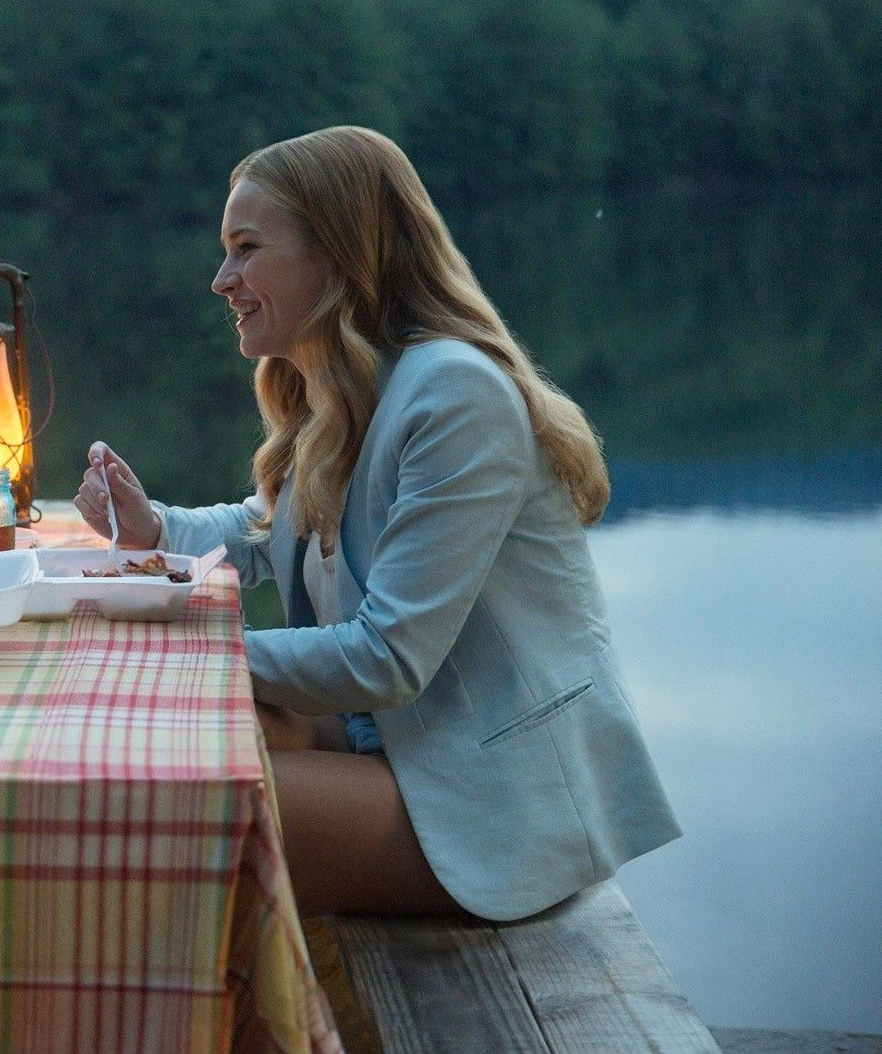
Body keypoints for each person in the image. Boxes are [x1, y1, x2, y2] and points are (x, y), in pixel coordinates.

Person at [75, 125, 679, 921]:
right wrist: (151, 527)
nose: (223, 279)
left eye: (247, 247)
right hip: (393, 748)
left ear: (336, 253)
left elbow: (387, 657)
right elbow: (261, 530)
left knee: (169, 801)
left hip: (491, 806)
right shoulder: (349, 390)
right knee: (169, 736)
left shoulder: (454, 396)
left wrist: (181, 648)